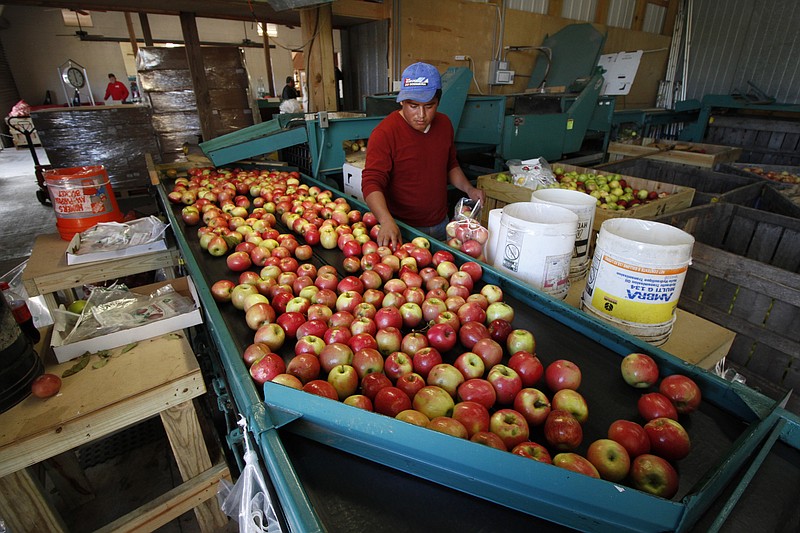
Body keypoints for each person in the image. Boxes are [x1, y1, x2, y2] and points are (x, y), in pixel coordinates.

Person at [361, 62, 485, 249]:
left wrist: (469, 189)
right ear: (402, 101)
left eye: (429, 106)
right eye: (413, 106)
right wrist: (386, 221)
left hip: (442, 223)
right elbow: (371, 182)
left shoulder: (444, 124)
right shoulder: (385, 133)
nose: (421, 115)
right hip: (402, 228)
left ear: (438, 102)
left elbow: (450, 164)